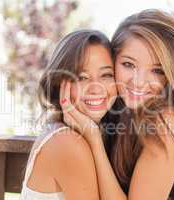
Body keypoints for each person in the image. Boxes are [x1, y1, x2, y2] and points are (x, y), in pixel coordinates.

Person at [60, 9, 174, 200]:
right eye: (128, 65)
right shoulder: (118, 113)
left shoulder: (169, 124)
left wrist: (94, 140)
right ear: (113, 62)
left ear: (172, 75)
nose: (138, 82)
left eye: (157, 71)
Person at [20, 29, 117, 200]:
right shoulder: (67, 142)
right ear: (59, 84)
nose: (96, 88)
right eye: (82, 77)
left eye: (106, 75)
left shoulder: (78, 133)